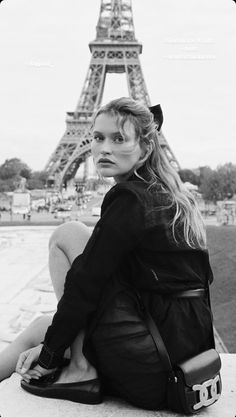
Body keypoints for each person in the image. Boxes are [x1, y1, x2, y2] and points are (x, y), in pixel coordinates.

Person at [0, 97, 215, 410]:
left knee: (68, 234)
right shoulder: (169, 195)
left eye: (118, 139)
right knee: (38, 328)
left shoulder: (130, 197)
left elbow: (86, 284)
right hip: (184, 360)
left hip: (153, 368)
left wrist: (49, 357)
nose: (104, 148)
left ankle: (80, 372)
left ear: (145, 148)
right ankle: (78, 363)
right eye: (97, 138)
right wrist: (50, 344)